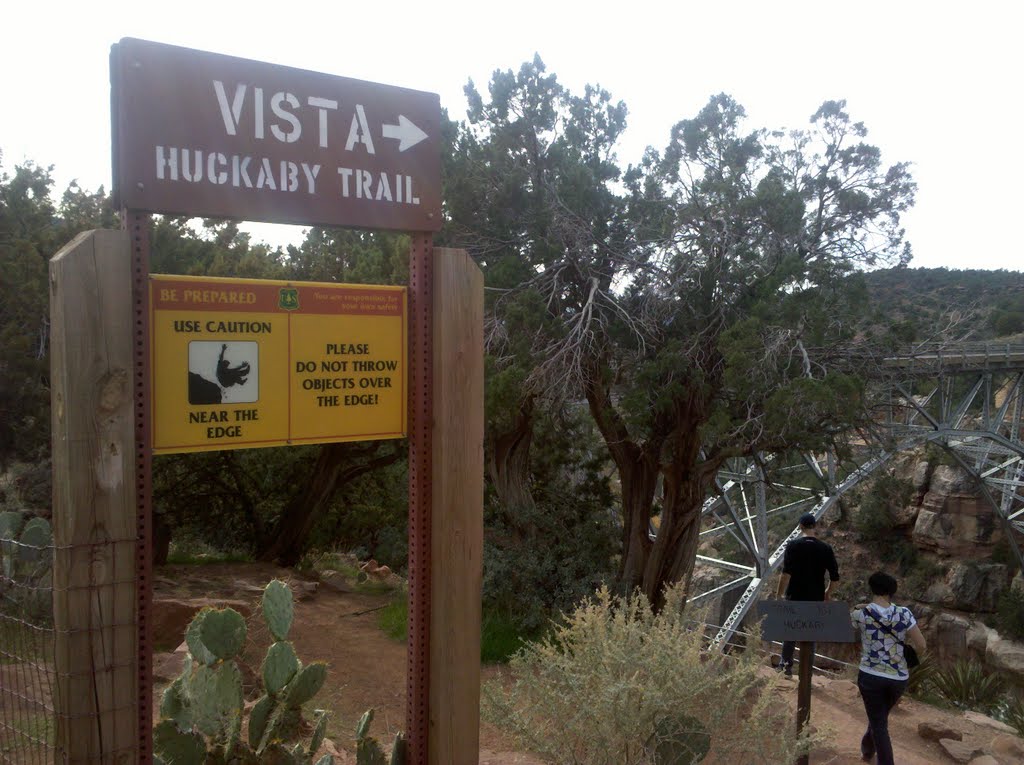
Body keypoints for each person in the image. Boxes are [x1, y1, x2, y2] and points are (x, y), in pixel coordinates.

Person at [851, 571, 926, 765]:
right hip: (898, 679)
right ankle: (867, 751)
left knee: (879, 724)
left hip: (870, 676)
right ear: (891, 591)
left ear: (872, 588)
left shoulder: (861, 614)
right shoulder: (904, 613)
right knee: (879, 717)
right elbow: (922, 646)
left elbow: (845, 631)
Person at [775, 512, 840, 677]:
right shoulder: (826, 548)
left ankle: (785, 668)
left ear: (800, 526)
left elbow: (785, 574)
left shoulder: (793, 545)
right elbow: (835, 577)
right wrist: (827, 593)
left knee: (790, 633)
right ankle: (806, 672)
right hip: (815, 598)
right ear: (815, 527)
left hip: (794, 596)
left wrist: (779, 595)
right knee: (810, 636)